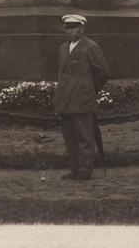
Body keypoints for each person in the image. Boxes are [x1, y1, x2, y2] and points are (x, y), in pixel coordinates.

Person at [53, 14, 110, 181]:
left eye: (73, 27)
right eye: (67, 27)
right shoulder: (63, 48)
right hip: (65, 99)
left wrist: (89, 89)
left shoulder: (90, 47)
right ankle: (74, 169)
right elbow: (62, 74)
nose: (70, 31)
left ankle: (85, 171)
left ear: (82, 28)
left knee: (84, 137)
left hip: (82, 99)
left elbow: (103, 72)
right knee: (69, 137)